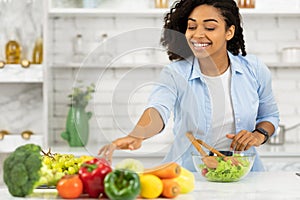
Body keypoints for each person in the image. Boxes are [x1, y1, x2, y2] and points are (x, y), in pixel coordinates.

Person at [99, 0, 279, 172]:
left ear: (229, 32)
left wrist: (258, 135)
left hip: (245, 173)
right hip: (190, 175)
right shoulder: (176, 73)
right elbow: (158, 109)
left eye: (209, 27)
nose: (197, 34)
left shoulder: (253, 69)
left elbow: (269, 115)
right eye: (191, 27)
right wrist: (137, 135)